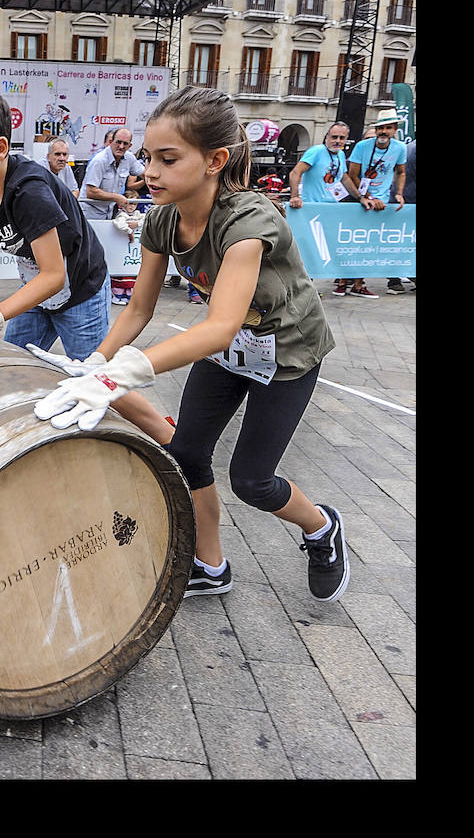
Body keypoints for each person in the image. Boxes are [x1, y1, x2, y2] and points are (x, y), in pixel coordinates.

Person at [34, 86, 348, 605]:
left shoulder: (250, 221)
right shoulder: (162, 218)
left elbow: (221, 324)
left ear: (214, 161)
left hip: (288, 357)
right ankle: (210, 564)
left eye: (167, 159)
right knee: (186, 455)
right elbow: (138, 308)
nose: (149, 171)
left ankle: (321, 528)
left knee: (251, 480)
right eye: (147, 157)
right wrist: (94, 362)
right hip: (229, 354)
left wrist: (120, 376)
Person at [0, 80, 112, 363]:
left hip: (80, 292)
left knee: (93, 378)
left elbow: (54, 275)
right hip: (35, 291)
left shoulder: (29, 191)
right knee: (9, 365)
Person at [288, 121, 378, 299]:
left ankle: (308, 289)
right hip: (312, 210)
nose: (337, 141)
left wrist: (361, 198)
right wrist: (295, 196)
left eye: (341, 138)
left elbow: (344, 179)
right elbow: (295, 173)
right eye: (334, 137)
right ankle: (302, 291)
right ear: (326, 137)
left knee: (321, 251)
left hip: (330, 211)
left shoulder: (341, 156)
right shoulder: (316, 151)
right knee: (308, 251)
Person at [348, 109, 407, 298]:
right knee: (357, 242)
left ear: (394, 129)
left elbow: (401, 171)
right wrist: (367, 197)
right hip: (362, 200)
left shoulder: (400, 148)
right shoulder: (362, 146)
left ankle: (374, 281)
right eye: (380, 127)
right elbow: (353, 175)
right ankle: (353, 282)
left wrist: (398, 193)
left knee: (375, 242)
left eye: (388, 128)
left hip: (384, 200)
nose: (384, 131)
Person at [78, 127, 145, 219]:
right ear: (110, 142)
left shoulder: (129, 158)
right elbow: (91, 192)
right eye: (118, 142)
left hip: (110, 212)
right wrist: (116, 197)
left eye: (125, 143)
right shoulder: (99, 160)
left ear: (130, 146)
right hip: (90, 213)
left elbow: (145, 174)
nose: (121, 146)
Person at [387, 138, 416, 293]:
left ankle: (395, 280)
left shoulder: (408, 147)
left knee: (400, 241)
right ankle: (394, 280)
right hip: (408, 201)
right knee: (403, 242)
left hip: (401, 201)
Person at [110, 189, 146, 305]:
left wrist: (138, 224)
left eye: (135, 204)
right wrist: (129, 230)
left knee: (132, 273)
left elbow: (147, 218)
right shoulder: (121, 214)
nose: (132, 206)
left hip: (133, 249)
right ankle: (118, 295)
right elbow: (118, 223)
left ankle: (129, 295)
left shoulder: (137, 215)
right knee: (121, 274)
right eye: (130, 203)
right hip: (122, 247)